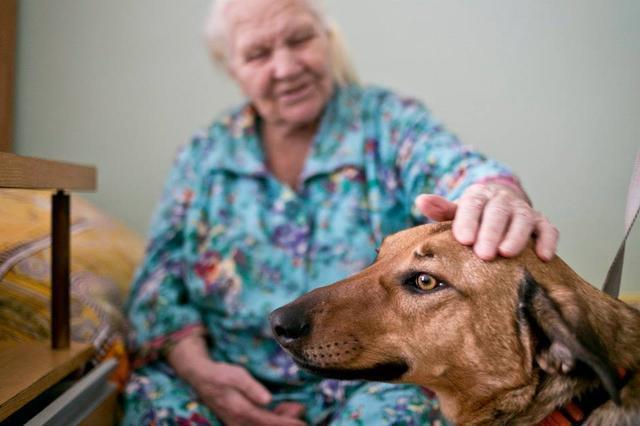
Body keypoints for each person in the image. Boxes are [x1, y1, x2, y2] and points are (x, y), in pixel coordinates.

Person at [123, 0, 558, 424]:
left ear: (327, 39)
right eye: (258, 54)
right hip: (225, 378)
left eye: (300, 39)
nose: (287, 66)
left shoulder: (387, 123)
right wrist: (201, 373)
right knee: (152, 399)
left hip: (365, 381)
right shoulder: (204, 158)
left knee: (404, 411)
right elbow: (156, 286)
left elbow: (456, 167)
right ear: (230, 67)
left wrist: (496, 194)